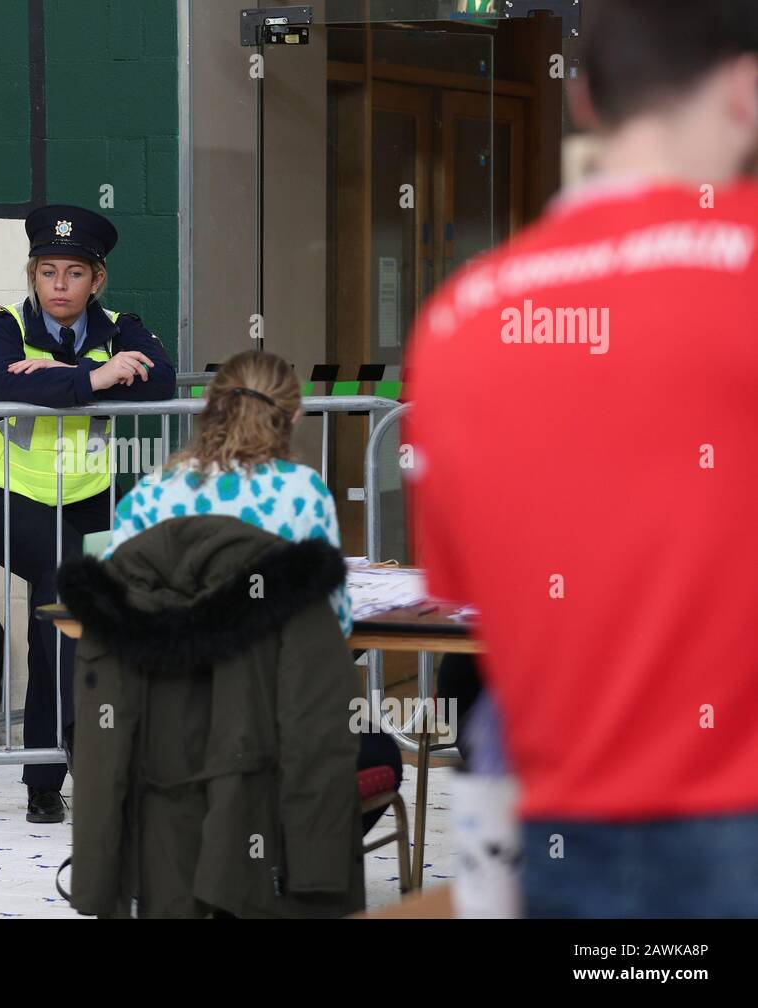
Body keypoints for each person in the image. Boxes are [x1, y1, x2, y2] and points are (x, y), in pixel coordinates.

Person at [405, 0, 758, 917]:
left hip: (560, 826)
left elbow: (464, 586)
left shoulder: (459, 315)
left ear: (586, 99)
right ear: (745, 89)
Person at [0, 204, 177, 823]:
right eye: (48, 272)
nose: (60, 284)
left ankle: (44, 780)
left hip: (88, 499)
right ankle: (87, 750)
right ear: (33, 276)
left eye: (74, 272)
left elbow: (161, 384)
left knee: (61, 614)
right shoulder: (3, 324)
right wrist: (97, 377)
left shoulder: (125, 325)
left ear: (97, 280)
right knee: (70, 589)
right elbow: (7, 383)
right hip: (1, 494)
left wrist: (64, 374)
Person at [100, 350, 399, 833]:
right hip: (272, 729)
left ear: (208, 409)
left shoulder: (151, 491)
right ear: (295, 416)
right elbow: (333, 622)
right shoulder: (302, 492)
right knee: (377, 748)